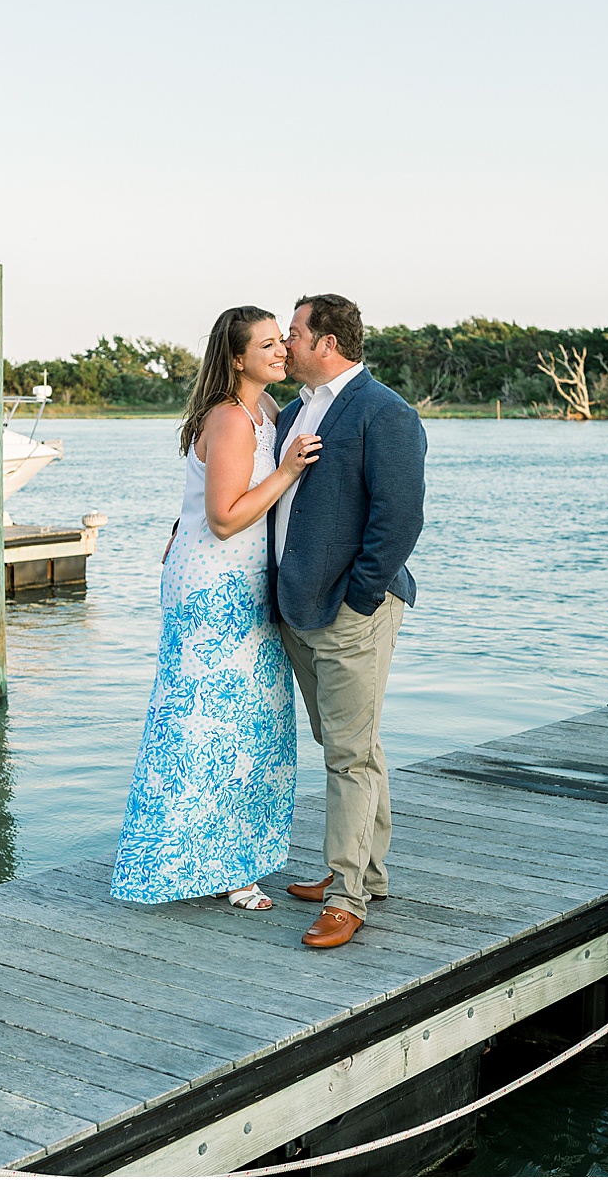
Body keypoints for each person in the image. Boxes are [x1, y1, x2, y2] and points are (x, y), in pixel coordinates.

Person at [110, 306, 324, 910]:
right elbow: (226, 518)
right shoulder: (231, 418)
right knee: (207, 727)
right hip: (214, 589)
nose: (281, 351)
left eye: (282, 341)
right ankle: (196, 866)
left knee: (253, 724)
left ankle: (231, 859)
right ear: (236, 358)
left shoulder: (268, 410)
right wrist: (287, 471)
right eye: (267, 344)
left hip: (245, 583)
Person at [270, 293, 426, 949]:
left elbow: (400, 518)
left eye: (295, 332)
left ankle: (347, 895)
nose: (286, 342)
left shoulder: (386, 412)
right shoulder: (292, 412)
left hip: (351, 611)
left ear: (327, 342)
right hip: (298, 608)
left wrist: (359, 599)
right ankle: (365, 869)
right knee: (349, 744)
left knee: (349, 754)